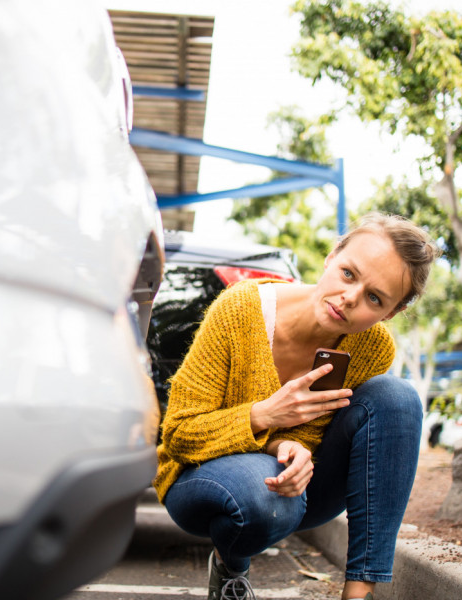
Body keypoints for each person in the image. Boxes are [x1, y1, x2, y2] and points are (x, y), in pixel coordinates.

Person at [153, 213, 440, 600]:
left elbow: (310, 432)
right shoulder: (240, 309)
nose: (350, 298)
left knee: (397, 397)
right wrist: (264, 415)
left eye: (375, 298)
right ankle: (230, 567)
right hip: (198, 479)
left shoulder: (371, 347)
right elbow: (178, 436)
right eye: (349, 273)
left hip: (297, 485)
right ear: (331, 256)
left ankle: (359, 594)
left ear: (390, 313)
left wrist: (289, 447)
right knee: (265, 498)